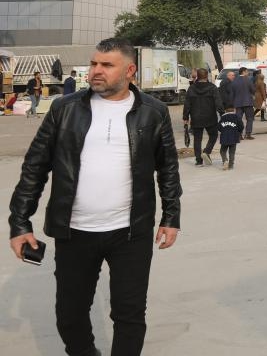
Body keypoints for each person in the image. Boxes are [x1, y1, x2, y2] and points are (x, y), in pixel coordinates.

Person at [8, 37, 181, 356]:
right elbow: (35, 166)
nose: (95, 71)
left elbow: (167, 168)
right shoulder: (65, 108)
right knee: (69, 316)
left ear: (129, 70)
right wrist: (19, 223)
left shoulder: (153, 113)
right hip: (74, 232)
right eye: (93, 63)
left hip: (131, 233)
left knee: (129, 315)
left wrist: (172, 217)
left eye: (106, 65)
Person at [182, 68, 223, 167]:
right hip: (210, 117)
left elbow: (187, 104)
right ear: (206, 76)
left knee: (197, 139)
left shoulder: (191, 88)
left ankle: (199, 161)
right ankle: (207, 151)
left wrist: (185, 117)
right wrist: (222, 114)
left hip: (196, 117)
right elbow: (218, 102)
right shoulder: (212, 88)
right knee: (213, 135)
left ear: (198, 76)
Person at [231, 67, 256, 139]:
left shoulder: (234, 81)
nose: (248, 73)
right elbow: (253, 90)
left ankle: (239, 134)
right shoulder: (248, 80)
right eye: (247, 72)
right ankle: (248, 134)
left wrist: (233, 103)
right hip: (248, 102)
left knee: (238, 119)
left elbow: (232, 93)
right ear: (244, 72)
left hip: (237, 103)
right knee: (250, 118)